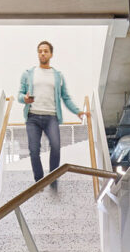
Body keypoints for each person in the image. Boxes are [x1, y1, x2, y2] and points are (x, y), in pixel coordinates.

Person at [17, 40, 82, 183]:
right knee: (34, 150)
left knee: (56, 147)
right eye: (40, 51)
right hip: (33, 117)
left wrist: (78, 112)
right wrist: (25, 99)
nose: (42, 53)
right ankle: (39, 181)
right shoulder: (28, 74)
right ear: (37, 54)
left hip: (51, 117)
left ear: (51, 54)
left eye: (45, 51)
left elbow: (65, 97)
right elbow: (19, 95)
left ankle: (53, 178)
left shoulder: (58, 75)